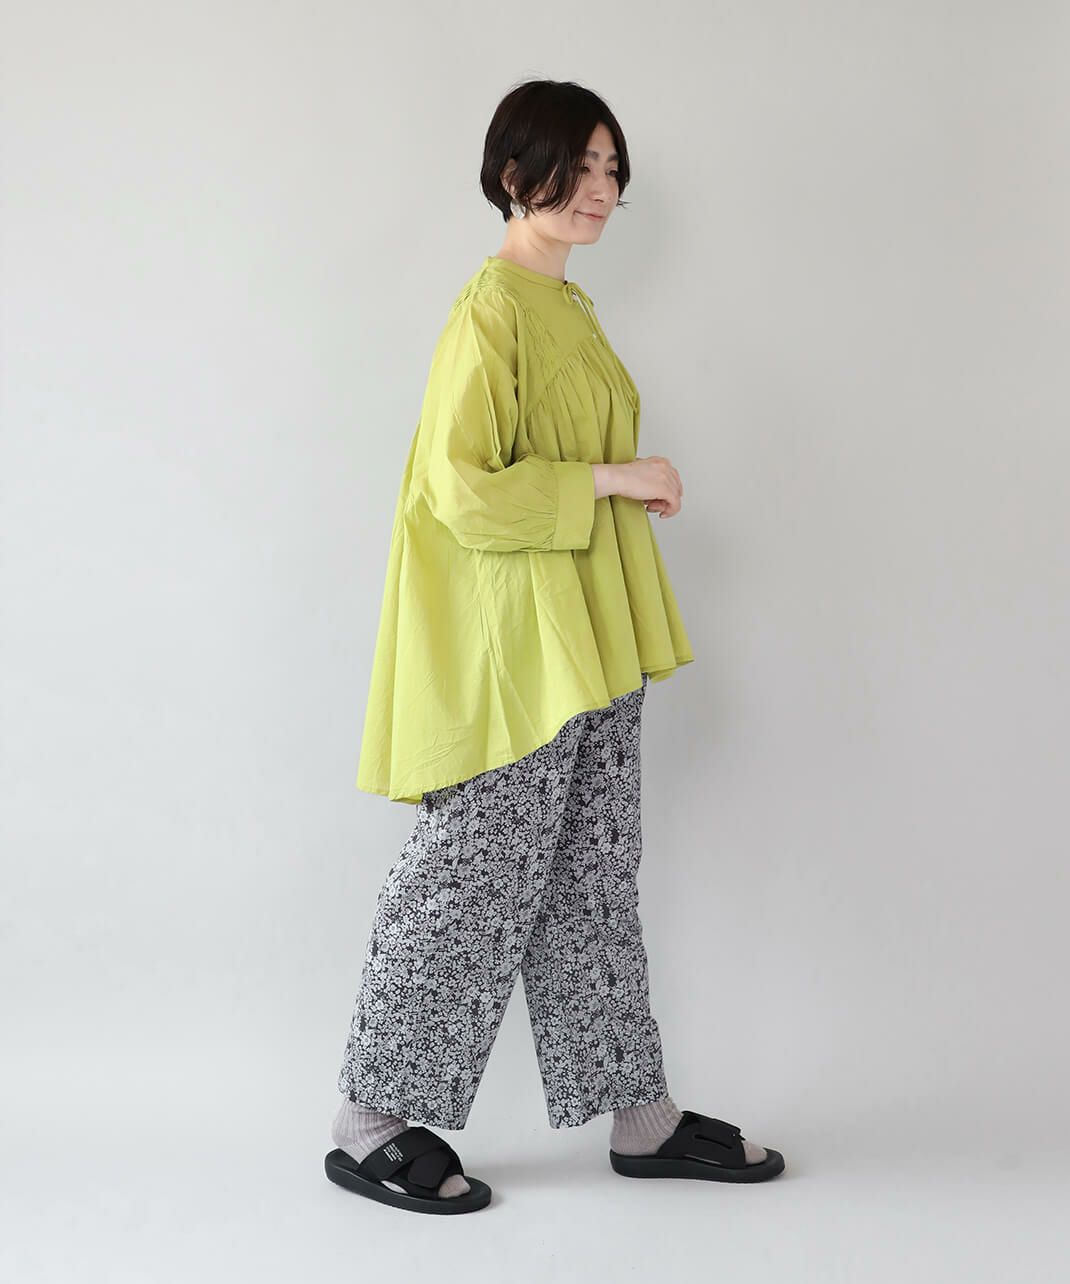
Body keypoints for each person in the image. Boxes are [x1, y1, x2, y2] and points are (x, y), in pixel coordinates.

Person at [323, 78, 785, 1214]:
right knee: (470, 877)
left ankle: (640, 1115)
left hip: (588, 633)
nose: (599, 189)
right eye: (577, 166)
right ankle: (369, 1120)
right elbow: (460, 490)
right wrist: (619, 476)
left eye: (610, 168)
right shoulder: (489, 311)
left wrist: (620, 485)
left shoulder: (568, 306)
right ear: (513, 174)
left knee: (590, 876)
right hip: (517, 650)